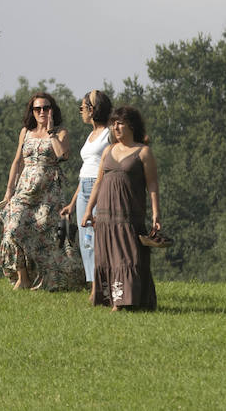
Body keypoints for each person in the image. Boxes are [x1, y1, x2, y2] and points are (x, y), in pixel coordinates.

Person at [81, 105, 160, 310]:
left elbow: (152, 185)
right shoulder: (108, 150)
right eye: (113, 123)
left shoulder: (143, 152)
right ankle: (113, 300)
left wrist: (156, 214)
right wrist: (89, 210)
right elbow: (98, 182)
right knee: (107, 258)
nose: (115, 127)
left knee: (127, 258)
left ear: (131, 125)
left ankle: (128, 301)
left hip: (128, 216)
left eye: (120, 123)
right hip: (105, 216)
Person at [0, 91, 72, 290]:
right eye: (37, 108)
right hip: (24, 190)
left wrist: (50, 133)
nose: (42, 112)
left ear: (52, 110)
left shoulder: (60, 132)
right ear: (32, 111)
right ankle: (23, 277)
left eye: (46, 108)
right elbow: (17, 162)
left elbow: (62, 155)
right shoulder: (25, 132)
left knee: (45, 236)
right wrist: (8, 192)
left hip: (49, 192)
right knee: (12, 229)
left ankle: (48, 280)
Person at [60, 90, 112, 286]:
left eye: (82, 107)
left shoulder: (109, 134)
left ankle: (104, 281)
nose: (80, 111)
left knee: (99, 237)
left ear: (93, 109)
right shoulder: (91, 134)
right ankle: (93, 284)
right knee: (86, 240)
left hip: (101, 189)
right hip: (84, 189)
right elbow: (85, 171)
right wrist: (73, 204)